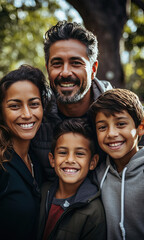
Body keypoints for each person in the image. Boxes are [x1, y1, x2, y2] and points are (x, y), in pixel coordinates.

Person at [31, 20, 112, 181]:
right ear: (47, 69)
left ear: (93, 69)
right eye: (57, 63)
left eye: (76, 63)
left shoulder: (122, 115)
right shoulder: (34, 116)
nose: (65, 72)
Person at [0, 65, 48, 240]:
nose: (27, 114)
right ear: (1, 111)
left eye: (34, 104)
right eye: (15, 106)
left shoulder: (36, 160)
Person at [37, 118, 106, 240]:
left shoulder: (93, 211)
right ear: (52, 159)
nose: (70, 159)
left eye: (79, 154)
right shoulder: (42, 192)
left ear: (92, 162)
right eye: (63, 152)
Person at [89, 88, 144, 240]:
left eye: (120, 124)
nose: (111, 133)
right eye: (102, 127)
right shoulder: (98, 174)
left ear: (140, 127)